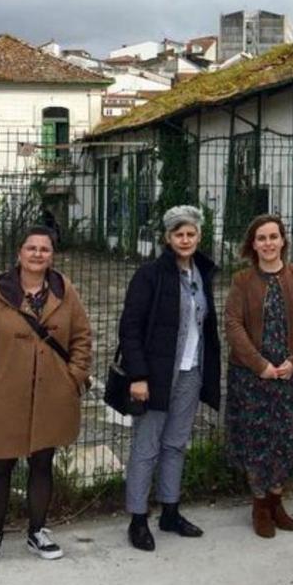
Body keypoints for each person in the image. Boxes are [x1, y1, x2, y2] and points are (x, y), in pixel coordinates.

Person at [0, 225, 93, 568]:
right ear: (19, 253)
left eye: (44, 249)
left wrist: (73, 376)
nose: (38, 254)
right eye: (31, 248)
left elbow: (82, 338)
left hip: (52, 395)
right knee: (0, 465)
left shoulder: (66, 293)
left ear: (53, 255)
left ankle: (38, 531)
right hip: (4, 395)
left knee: (41, 464)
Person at [118, 205, 221, 552]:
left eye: (191, 233)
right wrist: (139, 376)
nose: (185, 239)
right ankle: (137, 518)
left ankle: (170, 511)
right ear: (168, 238)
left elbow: (205, 325)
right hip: (157, 376)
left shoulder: (202, 274)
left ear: (199, 236)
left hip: (191, 372)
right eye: (179, 234)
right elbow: (130, 328)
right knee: (146, 447)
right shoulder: (150, 275)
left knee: (176, 444)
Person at [224, 215, 293, 538]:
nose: (268, 243)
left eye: (273, 237)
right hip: (252, 377)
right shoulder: (242, 281)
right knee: (257, 439)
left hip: (290, 375)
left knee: (285, 438)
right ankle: (259, 504)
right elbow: (233, 325)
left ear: (282, 241)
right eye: (261, 238)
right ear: (253, 244)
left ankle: (277, 501)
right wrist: (259, 364)